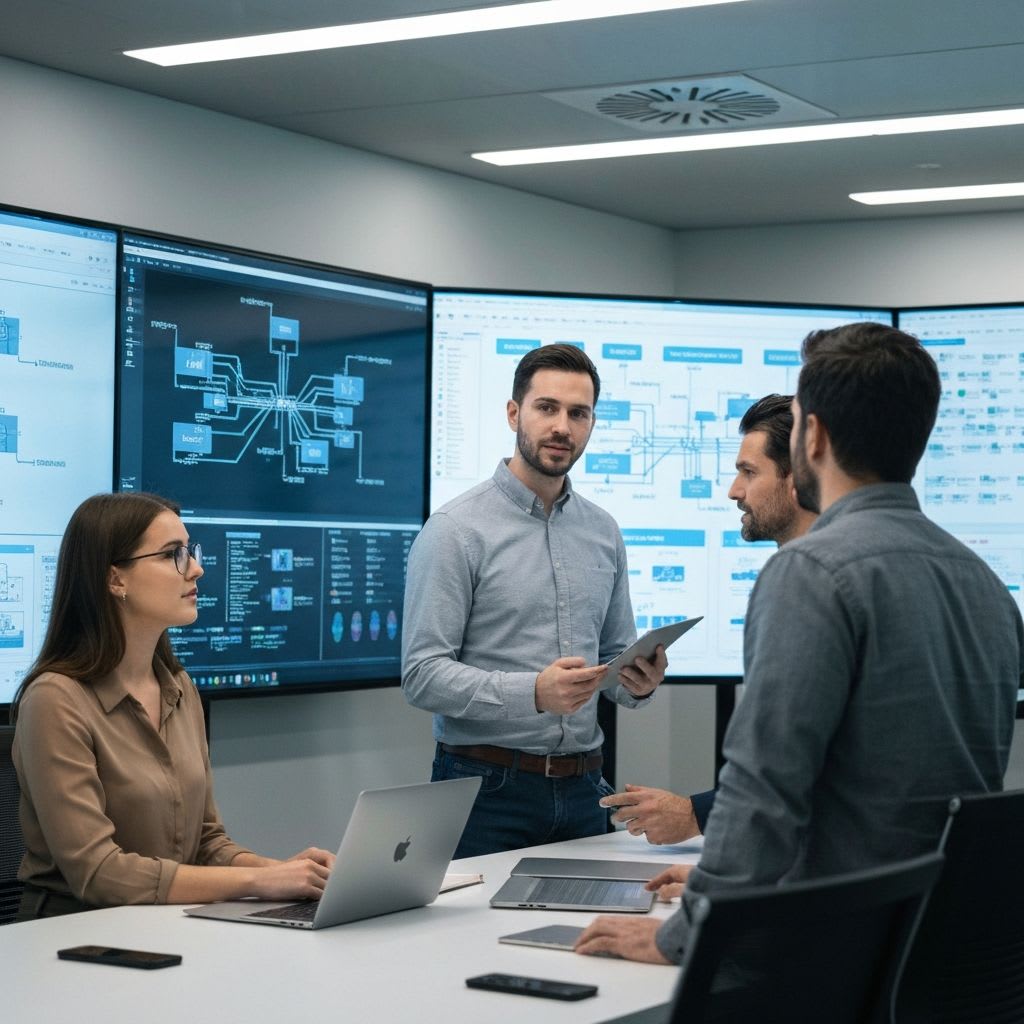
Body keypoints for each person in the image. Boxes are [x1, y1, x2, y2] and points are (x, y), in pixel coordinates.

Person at [576, 322, 1024, 964]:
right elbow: (893, 791)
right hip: (947, 950)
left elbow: (764, 792)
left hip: (830, 954)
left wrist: (689, 933)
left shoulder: (811, 573)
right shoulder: (983, 585)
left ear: (812, 436)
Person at [12, 492, 335, 920]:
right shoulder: (55, 700)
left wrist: (294, 874)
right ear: (115, 580)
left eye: (191, 552)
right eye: (172, 555)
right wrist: (260, 881)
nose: (196, 568)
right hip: (75, 940)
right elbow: (99, 873)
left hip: (164, 927)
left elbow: (205, 843)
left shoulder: (178, 687)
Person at [402, 343, 667, 857]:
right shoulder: (456, 530)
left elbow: (616, 660)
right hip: (485, 789)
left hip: (587, 786)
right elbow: (421, 675)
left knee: (584, 935)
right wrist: (534, 693)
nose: (562, 426)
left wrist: (639, 682)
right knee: (467, 940)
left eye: (578, 413)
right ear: (513, 413)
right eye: (547, 408)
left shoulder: (603, 531)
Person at [600, 395, 816, 849]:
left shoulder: (808, 584)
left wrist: (697, 816)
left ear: (796, 480)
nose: (734, 490)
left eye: (749, 472)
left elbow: (801, 766)